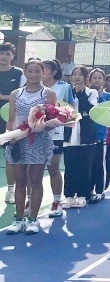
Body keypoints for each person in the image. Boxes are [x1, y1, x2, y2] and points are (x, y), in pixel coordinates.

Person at [5, 60, 58, 235]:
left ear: (43, 73)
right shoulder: (15, 94)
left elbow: (53, 119)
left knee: (35, 180)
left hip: (39, 141)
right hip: (18, 141)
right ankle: (19, 219)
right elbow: (11, 119)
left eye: (37, 71)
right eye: (30, 71)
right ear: (25, 73)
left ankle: (33, 219)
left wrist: (45, 125)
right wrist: (11, 136)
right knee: (20, 181)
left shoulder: (48, 93)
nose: (33, 75)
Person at [62, 66, 99, 209]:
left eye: (80, 74)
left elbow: (90, 110)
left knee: (85, 165)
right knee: (70, 165)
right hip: (69, 132)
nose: (76, 77)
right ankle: (69, 195)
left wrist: (80, 94)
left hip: (86, 133)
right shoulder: (67, 91)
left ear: (86, 77)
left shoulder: (92, 92)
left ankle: (84, 195)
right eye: (74, 74)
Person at [42, 59, 74, 217]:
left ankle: (56, 202)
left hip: (55, 134)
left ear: (53, 72)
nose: (40, 73)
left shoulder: (64, 87)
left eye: (44, 69)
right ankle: (29, 201)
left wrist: (61, 116)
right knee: (32, 170)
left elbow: (71, 109)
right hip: (35, 132)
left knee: (53, 167)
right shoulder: (31, 88)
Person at [0, 42, 25, 205]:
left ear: (13, 56)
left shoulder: (19, 73)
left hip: (9, 120)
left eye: (7, 54)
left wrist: (6, 98)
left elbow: (21, 95)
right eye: (1, 53)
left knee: (9, 155)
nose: (4, 57)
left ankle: (10, 189)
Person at [88, 68, 110, 203]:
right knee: (88, 163)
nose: (97, 80)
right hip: (87, 134)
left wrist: (100, 96)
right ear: (90, 80)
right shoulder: (86, 93)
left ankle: (99, 191)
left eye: (100, 78)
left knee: (99, 163)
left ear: (103, 80)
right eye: (94, 77)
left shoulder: (107, 96)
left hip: (101, 134)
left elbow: (106, 111)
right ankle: (88, 189)